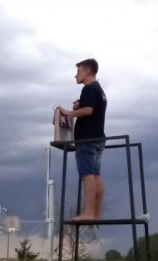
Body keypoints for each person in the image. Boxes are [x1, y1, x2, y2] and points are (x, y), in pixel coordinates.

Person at [57, 58, 107, 221]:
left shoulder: (89, 89)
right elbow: (89, 107)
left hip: (87, 139)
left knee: (87, 175)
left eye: (78, 72)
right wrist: (80, 106)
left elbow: (88, 110)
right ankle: (96, 214)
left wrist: (67, 113)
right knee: (95, 176)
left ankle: (89, 212)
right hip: (99, 138)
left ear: (88, 71)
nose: (75, 76)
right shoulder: (98, 89)